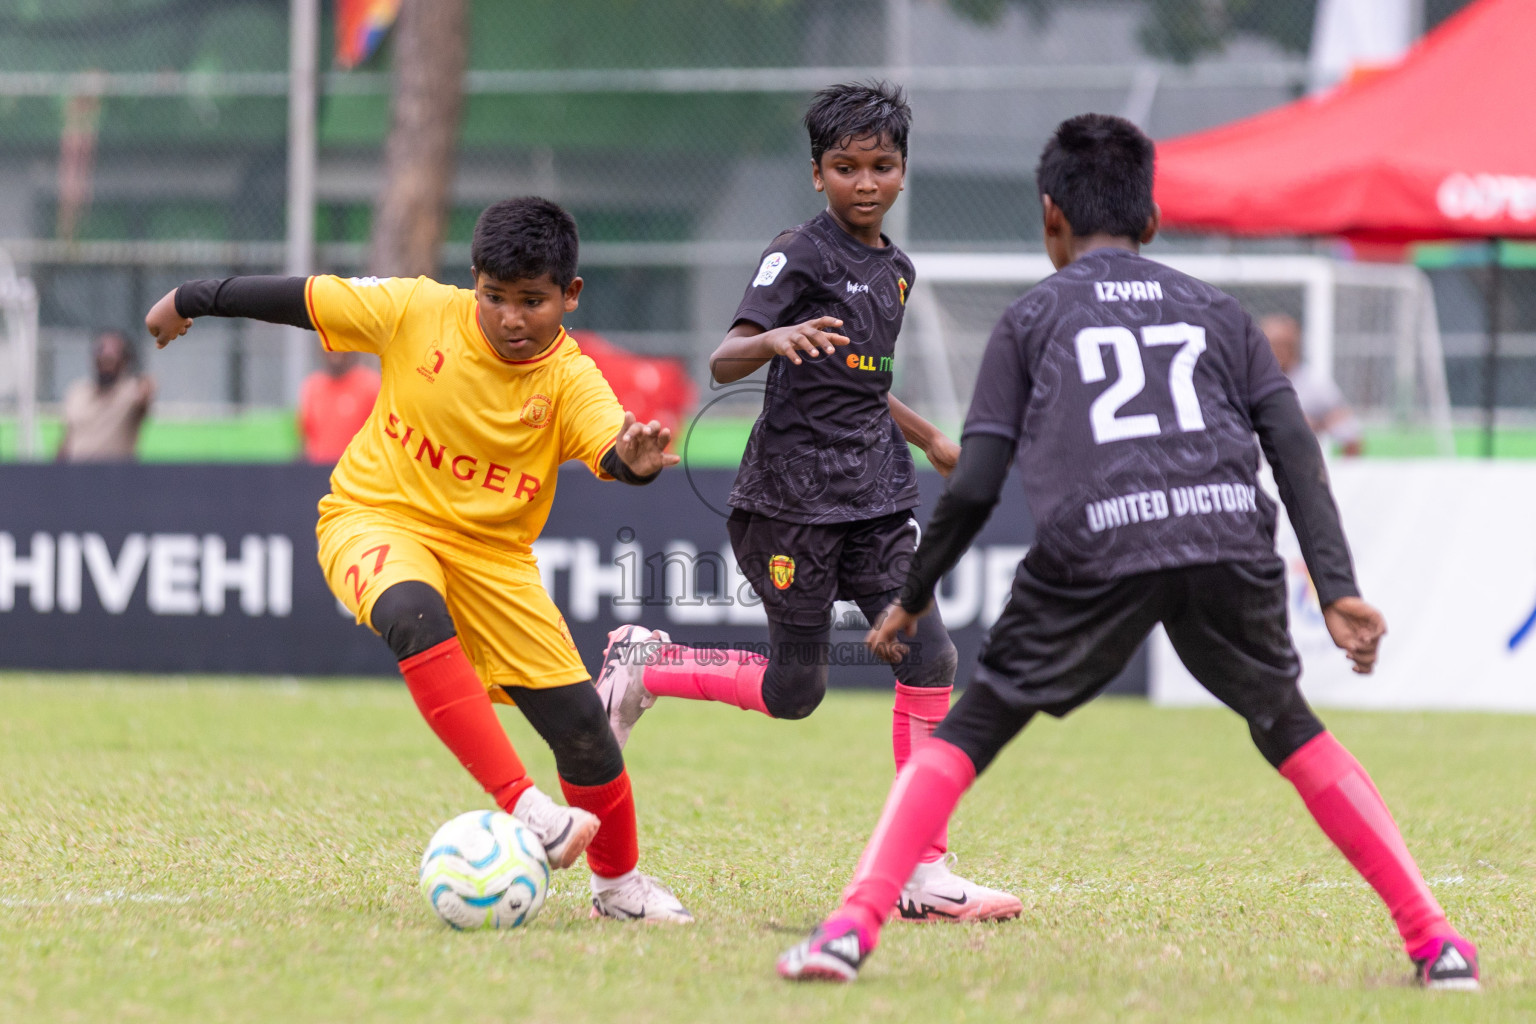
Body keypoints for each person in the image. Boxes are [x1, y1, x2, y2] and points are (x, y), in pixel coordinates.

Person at [777, 114, 1479, 989]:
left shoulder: (1031, 317)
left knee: (971, 729)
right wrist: (1336, 588)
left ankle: (847, 931)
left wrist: (914, 593)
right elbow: (1294, 444)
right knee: (1290, 726)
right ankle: (1437, 944)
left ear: (1049, 218)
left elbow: (978, 480)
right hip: (1227, 531)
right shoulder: (1221, 312)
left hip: (1098, 541)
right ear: (1151, 221)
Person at [143, 197, 693, 923]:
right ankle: (527, 809)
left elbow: (613, 451)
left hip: (494, 563)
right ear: (473, 283)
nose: (511, 318)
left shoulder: (571, 379)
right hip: (373, 518)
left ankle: (618, 890)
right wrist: (190, 298)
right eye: (495, 297)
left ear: (570, 296)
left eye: (533, 301)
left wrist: (634, 460)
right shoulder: (416, 310)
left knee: (584, 728)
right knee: (410, 609)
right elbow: (303, 299)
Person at [594, 81, 1022, 922]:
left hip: (874, 493)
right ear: (818, 173)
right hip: (790, 501)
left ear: (902, 171)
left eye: (882, 166)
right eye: (846, 167)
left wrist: (928, 435)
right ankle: (646, 668)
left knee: (929, 656)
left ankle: (921, 871)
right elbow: (723, 359)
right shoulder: (799, 253)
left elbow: (859, 385)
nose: (865, 182)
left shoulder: (896, 272)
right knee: (798, 692)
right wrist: (774, 338)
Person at [1260, 313, 1362, 455]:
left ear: (1295, 345)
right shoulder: (1245, 382)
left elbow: (1351, 436)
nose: (1277, 350)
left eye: (1284, 344)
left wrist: (1314, 425)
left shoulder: (1314, 384)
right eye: (1271, 343)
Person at [57, 329, 155, 461]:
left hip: (115, 476)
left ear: (124, 360)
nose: (106, 364)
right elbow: (67, 438)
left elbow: (146, 391)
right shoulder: (78, 392)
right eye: (101, 357)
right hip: (77, 474)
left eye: (111, 359)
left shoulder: (131, 392)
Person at [298, 350, 381, 464]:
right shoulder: (312, 387)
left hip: (358, 472)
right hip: (319, 473)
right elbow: (306, 438)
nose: (335, 350)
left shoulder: (372, 386)